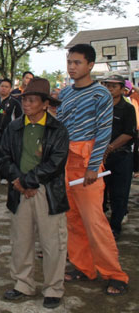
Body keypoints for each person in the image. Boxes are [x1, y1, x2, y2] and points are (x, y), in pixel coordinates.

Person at [57, 43, 128, 296]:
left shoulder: (101, 95)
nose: (72, 67)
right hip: (66, 163)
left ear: (89, 65)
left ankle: (114, 274)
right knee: (73, 220)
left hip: (87, 165)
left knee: (95, 222)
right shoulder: (65, 94)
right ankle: (83, 267)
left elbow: (103, 132)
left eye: (77, 62)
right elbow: (60, 127)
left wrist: (92, 167)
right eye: (69, 62)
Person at [0, 78, 69, 309]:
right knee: (21, 241)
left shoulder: (57, 129)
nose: (26, 104)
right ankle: (23, 284)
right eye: (24, 100)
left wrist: (27, 181)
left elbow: (55, 163)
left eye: (31, 100)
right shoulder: (15, 126)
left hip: (46, 192)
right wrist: (17, 181)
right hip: (20, 191)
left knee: (52, 244)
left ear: (45, 103)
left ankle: (53, 289)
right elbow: (4, 157)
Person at [101, 75, 136, 240]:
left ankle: (115, 228)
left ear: (123, 89)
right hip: (101, 157)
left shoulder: (127, 108)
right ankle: (99, 226)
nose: (110, 89)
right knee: (99, 193)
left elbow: (129, 133)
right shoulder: (100, 107)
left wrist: (110, 147)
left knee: (119, 194)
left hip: (121, 156)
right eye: (108, 86)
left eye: (114, 86)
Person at [0, 78, 22, 185]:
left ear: (10, 89)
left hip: (8, 134)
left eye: (6, 87)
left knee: (5, 156)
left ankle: (4, 176)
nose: (3, 89)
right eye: (2, 86)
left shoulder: (14, 103)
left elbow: (19, 119)